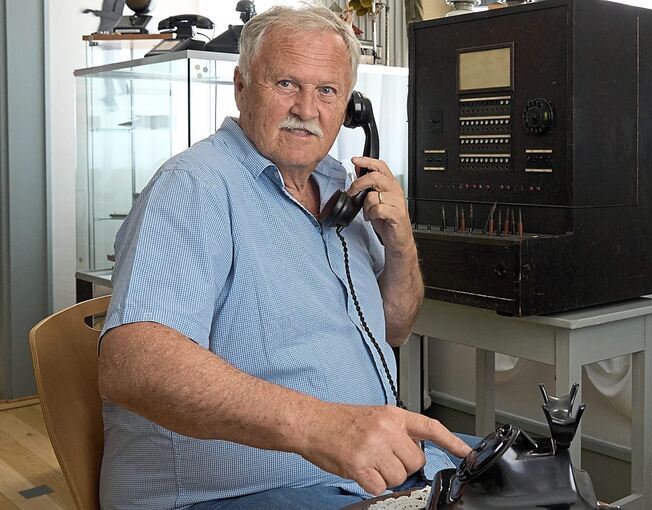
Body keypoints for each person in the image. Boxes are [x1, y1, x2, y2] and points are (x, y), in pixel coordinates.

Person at [97, 5, 472, 510]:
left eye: (327, 91)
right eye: (286, 84)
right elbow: (132, 364)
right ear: (241, 87)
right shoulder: (194, 185)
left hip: (371, 474)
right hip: (241, 493)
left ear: (351, 108)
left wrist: (401, 245)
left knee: (545, 484)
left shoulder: (344, 189)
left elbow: (394, 329)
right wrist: (324, 427)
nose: (307, 109)